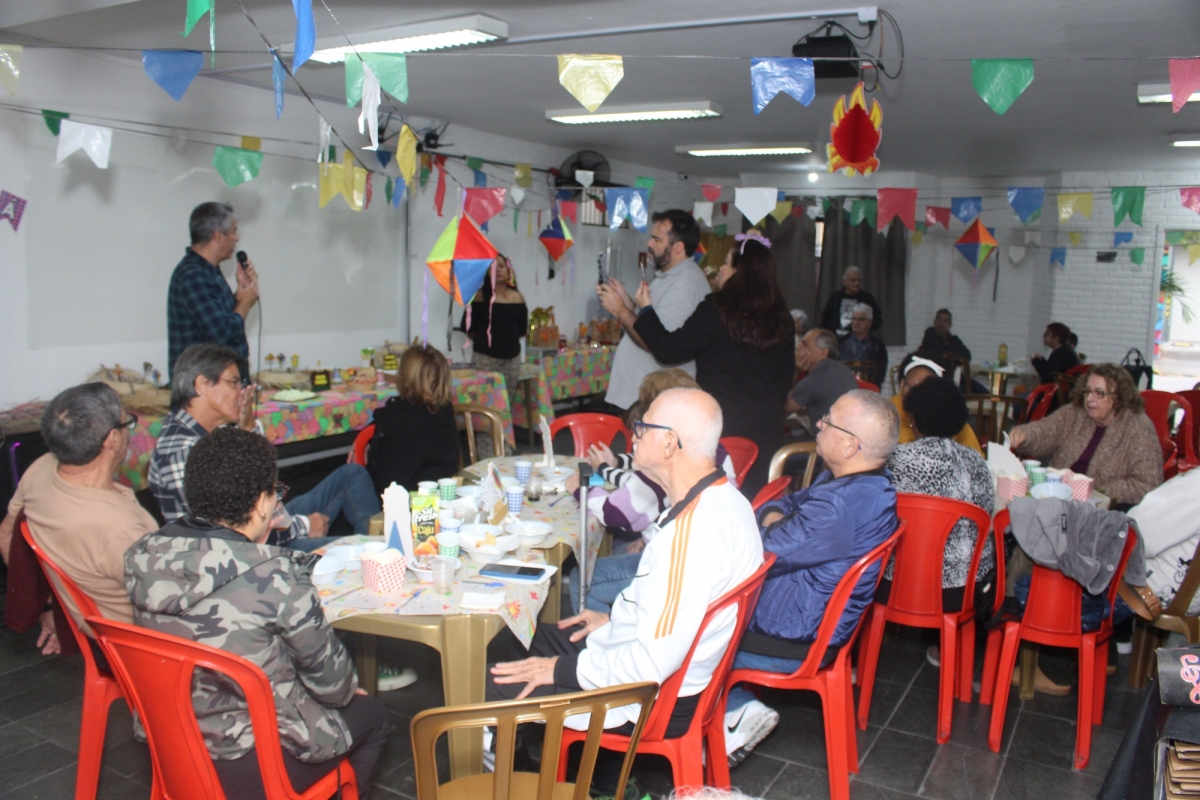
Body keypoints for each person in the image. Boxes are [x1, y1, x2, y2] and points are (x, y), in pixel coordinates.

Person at [487, 388, 763, 793]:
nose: (633, 434)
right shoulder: (727, 501)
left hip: (649, 698)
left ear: (669, 442)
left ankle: (520, 779)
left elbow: (650, 664)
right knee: (510, 638)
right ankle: (541, 767)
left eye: (643, 427)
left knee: (499, 677)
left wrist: (558, 670)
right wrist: (615, 619)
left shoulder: (691, 536)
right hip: (663, 667)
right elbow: (676, 612)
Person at [126, 427, 388, 800]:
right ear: (262, 503)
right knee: (372, 715)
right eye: (275, 492)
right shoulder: (275, 575)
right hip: (254, 764)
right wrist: (344, 691)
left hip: (171, 749)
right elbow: (334, 686)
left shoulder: (141, 557)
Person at [724, 390, 899, 766]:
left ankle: (734, 711)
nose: (818, 424)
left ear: (851, 445)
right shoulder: (866, 484)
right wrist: (776, 516)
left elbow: (764, 548)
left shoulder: (838, 505)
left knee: (690, 630)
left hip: (795, 634)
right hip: (809, 619)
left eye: (829, 421)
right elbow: (786, 504)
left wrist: (771, 519)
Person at [151, 345, 380, 551]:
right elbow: (230, 534)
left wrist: (248, 429)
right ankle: (375, 553)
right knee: (359, 552)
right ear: (202, 385)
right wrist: (304, 526)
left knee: (352, 474)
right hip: (247, 552)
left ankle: (375, 546)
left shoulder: (206, 432)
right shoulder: (182, 451)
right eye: (234, 382)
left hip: (262, 521)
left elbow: (262, 482)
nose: (242, 391)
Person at [616, 233, 795, 496]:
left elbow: (669, 349)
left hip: (721, 422)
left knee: (713, 494)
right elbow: (785, 379)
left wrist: (646, 310)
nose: (720, 268)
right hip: (766, 424)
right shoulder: (782, 317)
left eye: (727, 263)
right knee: (756, 498)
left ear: (739, 271)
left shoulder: (716, 309)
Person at [565, 369, 740, 616]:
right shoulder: (710, 448)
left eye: (644, 425)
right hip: (711, 562)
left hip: (678, 570)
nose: (636, 438)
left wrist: (580, 491)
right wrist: (650, 533)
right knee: (616, 548)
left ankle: (601, 632)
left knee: (582, 576)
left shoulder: (662, 465)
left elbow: (615, 513)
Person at [0, 383, 158, 655]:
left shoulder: (40, 470)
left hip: (91, 630)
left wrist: (50, 607)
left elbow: (6, 536)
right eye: (127, 423)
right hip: (139, 650)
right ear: (113, 439)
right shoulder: (118, 529)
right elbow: (168, 601)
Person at [884, 377, 994, 669]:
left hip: (898, 584)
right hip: (963, 592)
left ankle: (855, 659)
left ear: (913, 418)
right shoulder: (977, 464)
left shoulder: (893, 461)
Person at [598, 209, 710, 410]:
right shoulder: (668, 276)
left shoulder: (686, 283)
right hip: (641, 396)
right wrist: (626, 302)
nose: (649, 244)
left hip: (655, 400)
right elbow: (649, 323)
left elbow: (658, 343)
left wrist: (620, 311)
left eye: (656, 239)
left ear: (678, 247)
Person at [1010, 363, 1161, 510]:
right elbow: (1044, 431)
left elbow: (1147, 484)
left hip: (1103, 512)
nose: (1089, 399)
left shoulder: (1138, 427)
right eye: (1087, 391)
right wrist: (1025, 435)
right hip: (1057, 500)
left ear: (1119, 398)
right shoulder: (1075, 413)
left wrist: (1094, 490)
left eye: (1099, 393)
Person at [168, 202, 258, 380]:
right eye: (233, 231)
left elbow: (221, 319)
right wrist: (245, 303)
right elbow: (223, 334)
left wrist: (240, 294)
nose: (236, 238)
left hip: (219, 382)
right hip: (205, 386)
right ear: (218, 236)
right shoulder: (192, 275)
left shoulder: (208, 271)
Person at [367, 344, 460, 494]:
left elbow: (389, 485)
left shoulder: (403, 421)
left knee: (349, 475)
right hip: (441, 493)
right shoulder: (444, 410)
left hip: (408, 501)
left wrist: (372, 449)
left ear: (403, 377)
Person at [461, 254, 528, 409]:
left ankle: (503, 427)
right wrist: (485, 342)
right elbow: (468, 327)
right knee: (484, 402)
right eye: (492, 267)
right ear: (486, 272)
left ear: (508, 271)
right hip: (485, 359)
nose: (497, 270)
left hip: (512, 359)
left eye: (501, 266)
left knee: (506, 403)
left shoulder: (517, 297)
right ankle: (484, 428)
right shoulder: (479, 296)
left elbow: (521, 329)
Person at [891, 355, 981, 453]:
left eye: (926, 389)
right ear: (902, 384)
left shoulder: (948, 413)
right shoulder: (886, 412)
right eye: (913, 386)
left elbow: (975, 453)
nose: (918, 394)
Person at [787, 329, 859, 431]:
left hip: (829, 439)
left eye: (805, 345)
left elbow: (783, 410)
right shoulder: (844, 369)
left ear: (822, 353)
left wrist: (796, 370)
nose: (798, 348)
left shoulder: (815, 379)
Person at [819, 266, 882, 336]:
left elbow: (877, 319)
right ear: (844, 282)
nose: (857, 283)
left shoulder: (867, 298)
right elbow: (826, 319)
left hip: (859, 338)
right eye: (853, 280)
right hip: (836, 338)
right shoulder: (835, 298)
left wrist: (864, 329)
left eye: (859, 280)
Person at [838, 303, 888, 386]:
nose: (856, 322)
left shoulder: (878, 347)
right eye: (854, 319)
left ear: (870, 322)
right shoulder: (841, 343)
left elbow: (880, 376)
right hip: (843, 387)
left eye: (861, 319)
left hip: (868, 389)